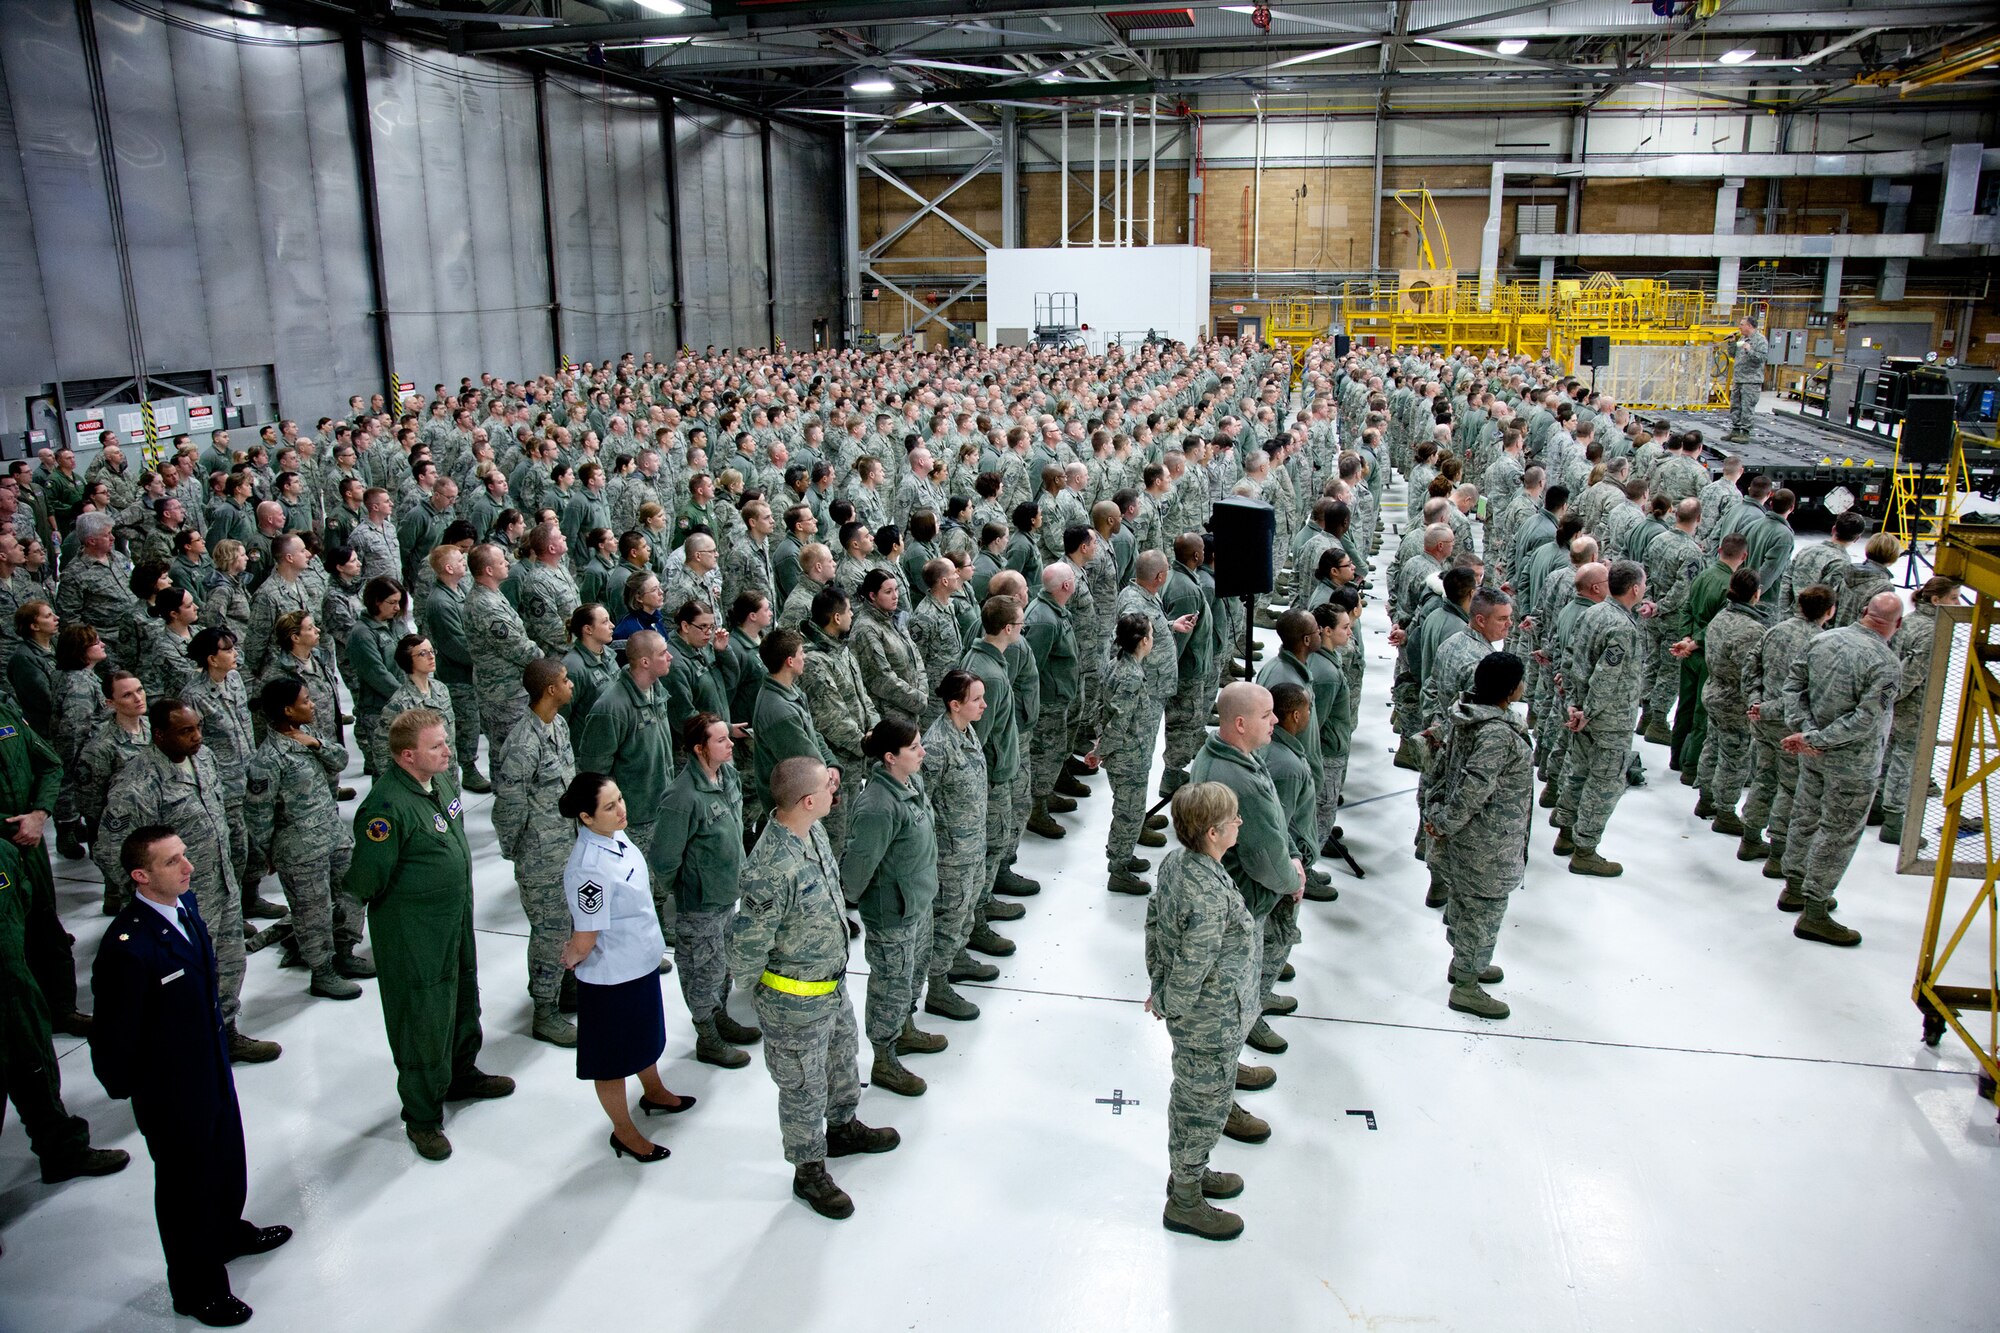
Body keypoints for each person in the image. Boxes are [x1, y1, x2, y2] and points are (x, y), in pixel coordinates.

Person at [89, 826, 290, 1328]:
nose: (188, 867)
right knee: (184, 1188)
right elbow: (113, 1038)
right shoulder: (128, 946)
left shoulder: (184, 907)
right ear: (140, 876)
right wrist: (144, 1091)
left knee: (224, 1157)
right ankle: (196, 1288)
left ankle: (226, 1233)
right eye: (172, 861)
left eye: (184, 856)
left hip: (209, 1066)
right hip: (170, 1089)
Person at [726, 756, 899, 1220]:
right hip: (794, 1004)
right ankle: (808, 1170)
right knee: (803, 1088)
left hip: (830, 986)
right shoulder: (771, 867)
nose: (834, 789)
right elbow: (744, 954)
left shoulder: (812, 831)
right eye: (827, 786)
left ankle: (842, 1128)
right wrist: (773, 1000)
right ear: (807, 801)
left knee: (842, 1061)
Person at [345, 708, 513, 1160]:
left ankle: (461, 1073)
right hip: (413, 931)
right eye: (436, 746)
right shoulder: (384, 809)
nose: (447, 751)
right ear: (406, 756)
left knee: (461, 995)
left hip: (453, 916)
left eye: (445, 741)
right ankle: (421, 1116)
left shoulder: (437, 783)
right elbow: (365, 881)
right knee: (421, 1015)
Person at [95, 698, 280, 1063]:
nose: (196, 737)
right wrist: (150, 901)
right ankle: (193, 1044)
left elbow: (222, 813)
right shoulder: (138, 783)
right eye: (185, 731)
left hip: (221, 885)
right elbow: (111, 848)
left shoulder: (205, 758)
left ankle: (224, 1032)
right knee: (188, 976)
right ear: (159, 734)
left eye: (198, 728)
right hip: (179, 899)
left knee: (228, 962)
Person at [558, 772, 694, 1164]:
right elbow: (586, 936)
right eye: (610, 806)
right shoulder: (588, 866)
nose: (621, 810)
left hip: (639, 964)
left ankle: (653, 1091)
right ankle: (624, 1130)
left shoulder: (614, 836)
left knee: (644, 1038)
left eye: (620, 799)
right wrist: (571, 955)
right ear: (585, 817)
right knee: (612, 1060)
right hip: (611, 978)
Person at [1144, 780, 1257, 1242]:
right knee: (1201, 1106)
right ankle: (1186, 1200)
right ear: (1212, 831)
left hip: (1206, 1013)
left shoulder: (1178, 863)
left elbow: (1153, 923)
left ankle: (1191, 1172)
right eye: (1233, 818)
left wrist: (1159, 984)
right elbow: (1195, 963)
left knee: (1201, 1097)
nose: (1239, 823)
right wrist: (1169, 998)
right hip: (1210, 1020)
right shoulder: (1207, 894)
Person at [1188, 681, 1301, 1110]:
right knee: (1228, 1009)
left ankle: (1228, 1069)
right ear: (1239, 723)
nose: (1275, 721)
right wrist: (1292, 880)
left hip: (1235, 900)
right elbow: (1263, 856)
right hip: (1241, 909)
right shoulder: (1238, 779)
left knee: (1236, 1005)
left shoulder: (1227, 756)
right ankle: (1219, 1106)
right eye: (1267, 715)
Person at [1779, 591, 1904, 946]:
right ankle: (1815, 911)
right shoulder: (1885, 663)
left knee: (1805, 815)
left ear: (1863, 611)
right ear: (1896, 625)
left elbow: (1793, 688)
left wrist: (1806, 733)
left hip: (1813, 755)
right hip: (1852, 764)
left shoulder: (1822, 640)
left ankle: (1794, 888)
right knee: (1839, 832)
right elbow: (1867, 719)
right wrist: (1818, 738)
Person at [1422, 653, 1533, 1021]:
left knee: (1468, 906)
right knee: (1483, 910)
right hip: (1487, 842)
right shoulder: (1497, 734)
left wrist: (1440, 820)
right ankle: (1467, 985)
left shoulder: (1470, 714)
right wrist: (1445, 821)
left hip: (1475, 837)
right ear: (1509, 690)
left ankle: (1466, 961)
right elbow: (1474, 787)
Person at [839, 716, 945, 1098]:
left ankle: (905, 1028)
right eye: (914, 747)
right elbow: (856, 868)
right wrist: (847, 906)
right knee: (890, 986)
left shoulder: (908, 782)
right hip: (892, 914)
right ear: (889, 757)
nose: (923, 751)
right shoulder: (878, 806)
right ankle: (884, 1058)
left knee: (911, 976)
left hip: (918, 901)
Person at [244, 678, 366, 1001]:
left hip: (332, 833)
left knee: (352, 893)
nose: (312, 705)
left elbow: (340, 759)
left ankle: (344, 952)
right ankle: (322, 972)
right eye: (306, 700)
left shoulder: (309, 735)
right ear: (287, 710)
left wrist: (316, 745)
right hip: (299, 847)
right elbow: (258, 816)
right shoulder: (267, 760)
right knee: (312, 912)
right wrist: (269, 852)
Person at [654, 713, 760, 1068]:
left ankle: (719, 1017)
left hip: (727, 894)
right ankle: (707, 1037)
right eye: (720, 740)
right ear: (700, 749)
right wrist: (690, 887)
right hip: (699, 903)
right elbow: (665, 859)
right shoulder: (682, 797)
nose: (730, 743)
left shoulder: (727, 776)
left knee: (722, 966)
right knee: (701, 971)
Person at [492, 657, 579, 1047]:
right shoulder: (524, 743)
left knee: (570, 925)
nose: (570, 683)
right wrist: (519, 853)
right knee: (549, 933)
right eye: (564, 679)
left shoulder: (558, 726)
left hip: (568, 847)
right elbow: (508, 808)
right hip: (541, 855)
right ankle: (544, 1009)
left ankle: (565, 987)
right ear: (549, 690)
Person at [1553, 560, 1648, 876]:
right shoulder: (1622, 627)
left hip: (1582, 712)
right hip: (1608, 720)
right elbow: (1606, 677)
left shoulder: (1590, 613)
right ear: (1635, 589)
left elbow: (1571, 659)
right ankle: (1585, 851)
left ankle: (1565, 833)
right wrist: (1589, 713)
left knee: (1577, 771)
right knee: (1604, 783)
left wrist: (1573, 705)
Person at [918, 669, 989, 1022]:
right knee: (947, 921)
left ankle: (957, 959)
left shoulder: (966, 730)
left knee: (966, 912)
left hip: (971, 847)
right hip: (950, 856)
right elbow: (922, 804)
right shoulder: (937, 745)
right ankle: (938, 987)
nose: (983, 705)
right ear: (954, 704)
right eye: (976, 699)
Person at [1879, 577, 1960, 844]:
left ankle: (1878, 806)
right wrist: (1895, 696)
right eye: (1954, 598)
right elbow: (1912, 675)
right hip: (1914, 707)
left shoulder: (1909, 620)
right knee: (1905, 761)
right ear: (1936, 601)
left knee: (1889, 754)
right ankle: (1894, 820)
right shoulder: (1931, 630)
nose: (1958, 604)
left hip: (1894, 702)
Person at [1102, 612, 1166, 896]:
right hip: (1128, 757)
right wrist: (1099, 751)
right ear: (1142, 642)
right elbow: (1118, 721)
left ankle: (1124, 857)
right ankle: (1118, 871)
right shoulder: (1130, 676)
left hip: (1128, 753)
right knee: (1128, 814)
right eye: (1151, 635)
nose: (1153, 640)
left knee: (1130, 811)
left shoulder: (1119, 665)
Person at [1727, 316, 1769, 441]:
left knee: (1747, 406)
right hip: (1739, 378)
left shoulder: (1760, 340)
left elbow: (1761, 358)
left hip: (1751, 380)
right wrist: (1732, 343)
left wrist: (1749, 350)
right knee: (1735, 405)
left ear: (1749, 326)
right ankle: (1735, 429)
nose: (1739, 327)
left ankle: (1745, 432)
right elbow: (1733, 354)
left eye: (1742, 324)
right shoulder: (1742, 338)